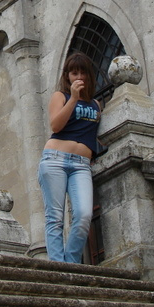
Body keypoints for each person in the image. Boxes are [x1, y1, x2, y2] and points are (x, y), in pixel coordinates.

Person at [38, 51, 102, 263]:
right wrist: (73, 99)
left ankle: (71, 263)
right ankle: (59, 266)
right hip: (55, 159)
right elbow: (56, 125)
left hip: (81, 165)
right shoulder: (61, 96)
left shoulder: (96, 104)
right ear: (67, 76)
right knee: (55, 219)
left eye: (83, 72)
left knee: (83, 216)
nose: (79, 77)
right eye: (74, 73)